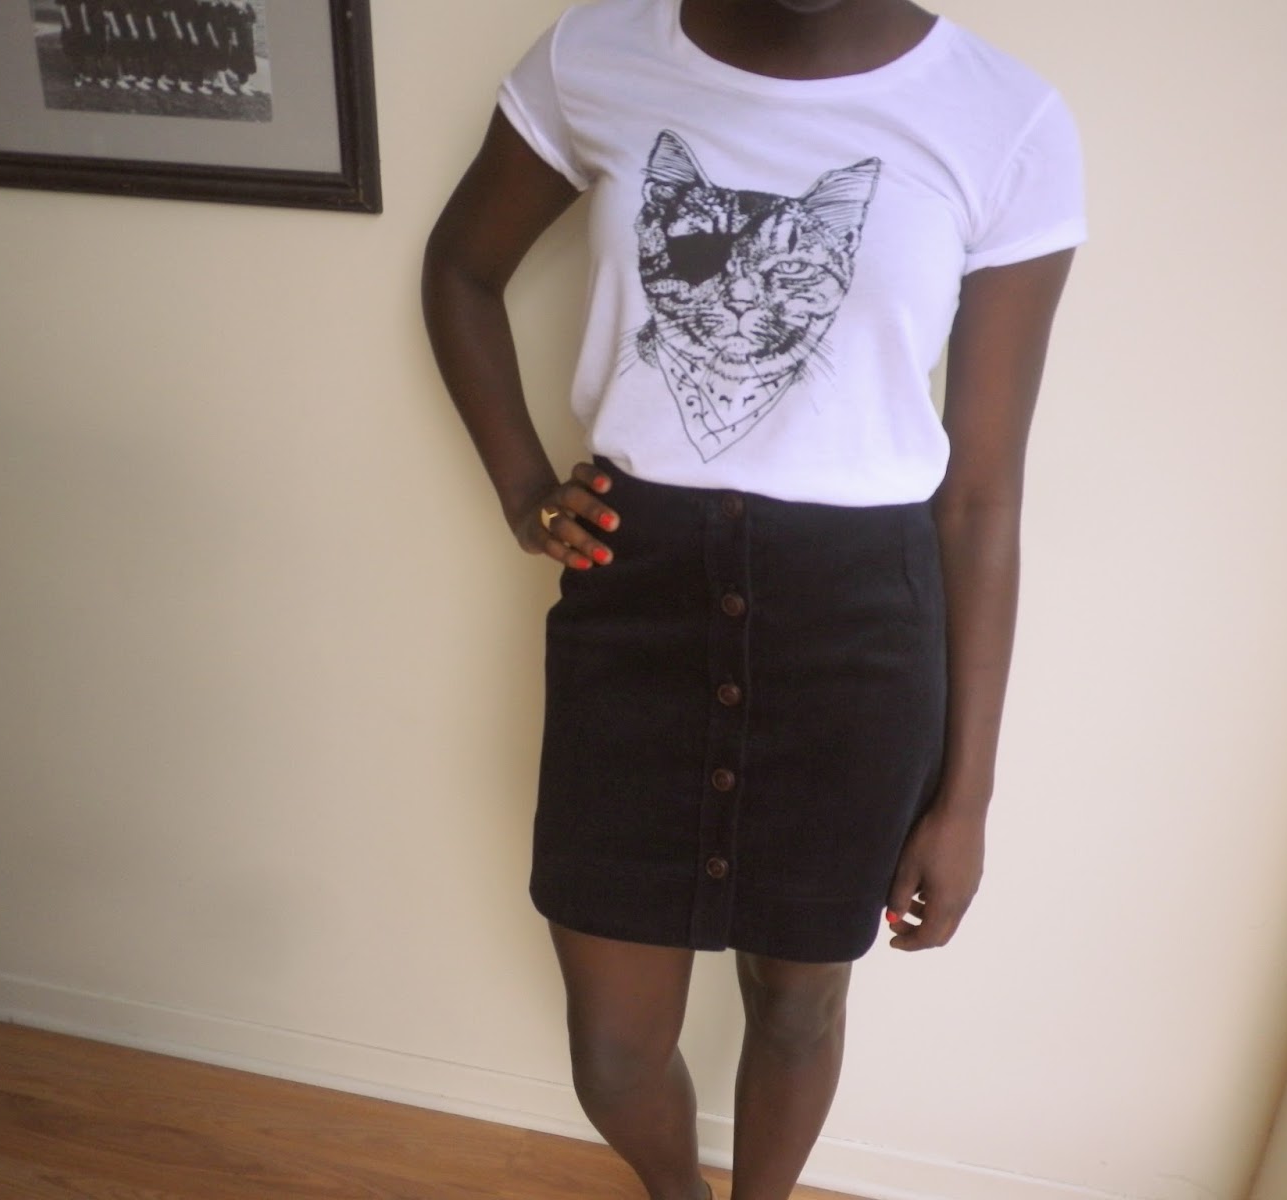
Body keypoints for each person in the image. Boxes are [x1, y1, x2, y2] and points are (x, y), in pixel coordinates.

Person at [421, 1, 1084, 1198]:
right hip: (636, 605)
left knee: (798, 1002)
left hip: (856, 633)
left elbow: (982, 496)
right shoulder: (595, 55)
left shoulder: (1004, 120)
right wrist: (523, 489)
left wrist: (967, 798)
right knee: (614, 1050)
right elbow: (462, 270)